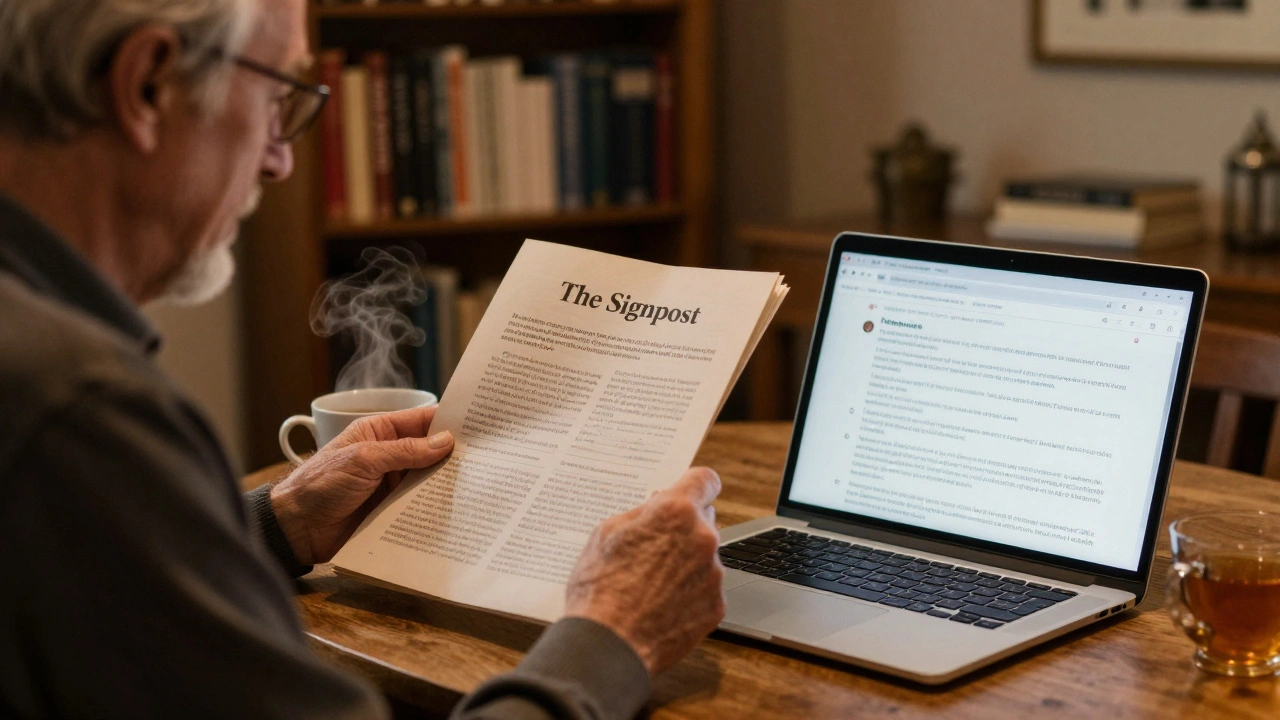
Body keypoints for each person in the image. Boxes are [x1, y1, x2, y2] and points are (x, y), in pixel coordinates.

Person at [0, 1, 726, 718]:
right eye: (277, 97)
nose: (281, 159)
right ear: (148, 84)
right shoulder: (80, 408)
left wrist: (279, 522)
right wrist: (610, 637)